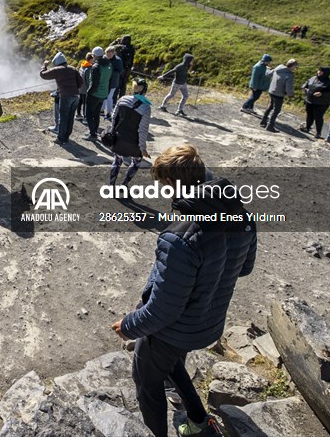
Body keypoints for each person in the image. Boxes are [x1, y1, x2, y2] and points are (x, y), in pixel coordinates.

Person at [111, 144, 257, 437]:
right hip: (208, 322)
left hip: (172, 330)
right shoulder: (241, 215)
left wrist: (128, 326)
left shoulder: (180, 237)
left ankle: (157, 433)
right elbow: (244, 268)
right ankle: (198, 418)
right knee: (171, 361)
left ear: (171, 184)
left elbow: (163, 309)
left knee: (146, 381)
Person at [106, 78, 151, 187]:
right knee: (136, 162)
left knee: (117, 161)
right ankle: (124, 184)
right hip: (133, 142)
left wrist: (113, 133)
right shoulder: (146, 107)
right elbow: (142, 130)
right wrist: (142, 148)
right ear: (145, 90)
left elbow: (113, 118)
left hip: (119, 138)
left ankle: (112, 185)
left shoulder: (122, 99)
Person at [40, 51, 83, 145]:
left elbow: (43, 75)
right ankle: (66, 137)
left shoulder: (58, 70)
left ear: (57, 63)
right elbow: (81, 82)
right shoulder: (73, 69)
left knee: (63, 118)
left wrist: (44, 65)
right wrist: (74, 89)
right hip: (76, 96)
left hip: (65, 96)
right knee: (70, 118)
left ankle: (60, 139)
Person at [260, 59, 297, 132]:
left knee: (270, 106)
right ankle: (270, 126)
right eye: (295, 67)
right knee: (276, 110)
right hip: (279, 94)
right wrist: (290, 95)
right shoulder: (289, 75)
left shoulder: (278, 68)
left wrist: (268, 69)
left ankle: (263, 121)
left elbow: (268, 74)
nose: (295, 69)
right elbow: (288, 88)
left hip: (272, 91)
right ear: (292, 66)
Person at [85, 46, 113, 140]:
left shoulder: (96, 66)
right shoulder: (109, 65)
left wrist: (88, 93)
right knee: (96, 114)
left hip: (95, 94)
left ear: (94, 56)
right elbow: (109, 80)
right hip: (103, 93)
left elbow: (94, 83)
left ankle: (92, 134)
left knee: (89, 114)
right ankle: (95, 131)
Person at [299, 67, 330, 138]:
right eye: (319, 70)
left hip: (321, 103)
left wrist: (322, 94)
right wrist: (304, 87)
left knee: (318, 117)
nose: (319, 72)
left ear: (326, 73)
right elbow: (306, 83)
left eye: (321, 71)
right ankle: (307, 128)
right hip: (309, 100)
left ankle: (318, 132)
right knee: (309, 115)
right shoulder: (313, 78)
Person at [104, 45, 125, 120]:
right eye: (106, 53)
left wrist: (110, 71)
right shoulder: (104, 58)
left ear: (113, 53)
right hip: (105, 81)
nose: (107, 55)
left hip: (113, 82)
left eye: (109, 54)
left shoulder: (118, 60)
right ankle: (102, 110)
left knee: (109, 97)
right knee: (104, 96)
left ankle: (109, 112)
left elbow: (120, 71)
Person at [114, 35, 136, 100]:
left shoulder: (119, 47)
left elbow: (110, 47)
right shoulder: (132, 48)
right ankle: (121, 99)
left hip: (121, 69)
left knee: (117, 85)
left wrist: (116, 41)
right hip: (128, 69)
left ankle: (114, 100)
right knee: (124, 85)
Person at [76, 52, 93, 122]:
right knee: (86, 103)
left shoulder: (82, 66)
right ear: (90, 59)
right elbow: (88, 80)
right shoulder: (88, 69)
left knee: (80, 101)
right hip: (85, 89)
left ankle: (78, 114)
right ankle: (85, 117)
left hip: (80, 88)